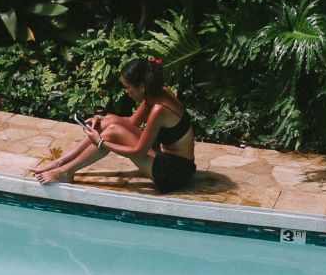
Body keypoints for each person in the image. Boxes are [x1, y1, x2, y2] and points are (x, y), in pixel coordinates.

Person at [28, 57, 199, 192]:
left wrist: (101, 142)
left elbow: (138, 151)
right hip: (165, 157)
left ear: (141, 86)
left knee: (112, 133)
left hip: (173, 174)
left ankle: (66, 172)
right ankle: (60, 163)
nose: (126, 92)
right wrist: (100, 119)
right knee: (109, 121)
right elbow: (132, 122)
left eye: (127, 87)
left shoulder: (159, 109)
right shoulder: (157, 93)